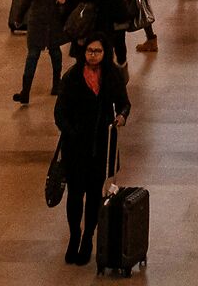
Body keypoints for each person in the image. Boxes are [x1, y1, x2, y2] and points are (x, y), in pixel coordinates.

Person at [51, 36, 131, 266]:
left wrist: (122, 116)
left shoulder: (112, 76)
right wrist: (70, 131)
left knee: (95, 194)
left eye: (97, 51)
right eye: (89, 51)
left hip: (101, 144)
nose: (93, 55)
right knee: (75, 195)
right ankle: (74, 234)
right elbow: (60, 112)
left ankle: (88, 237)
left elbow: (124, 102)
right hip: (76, 146)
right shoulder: (73, 77)